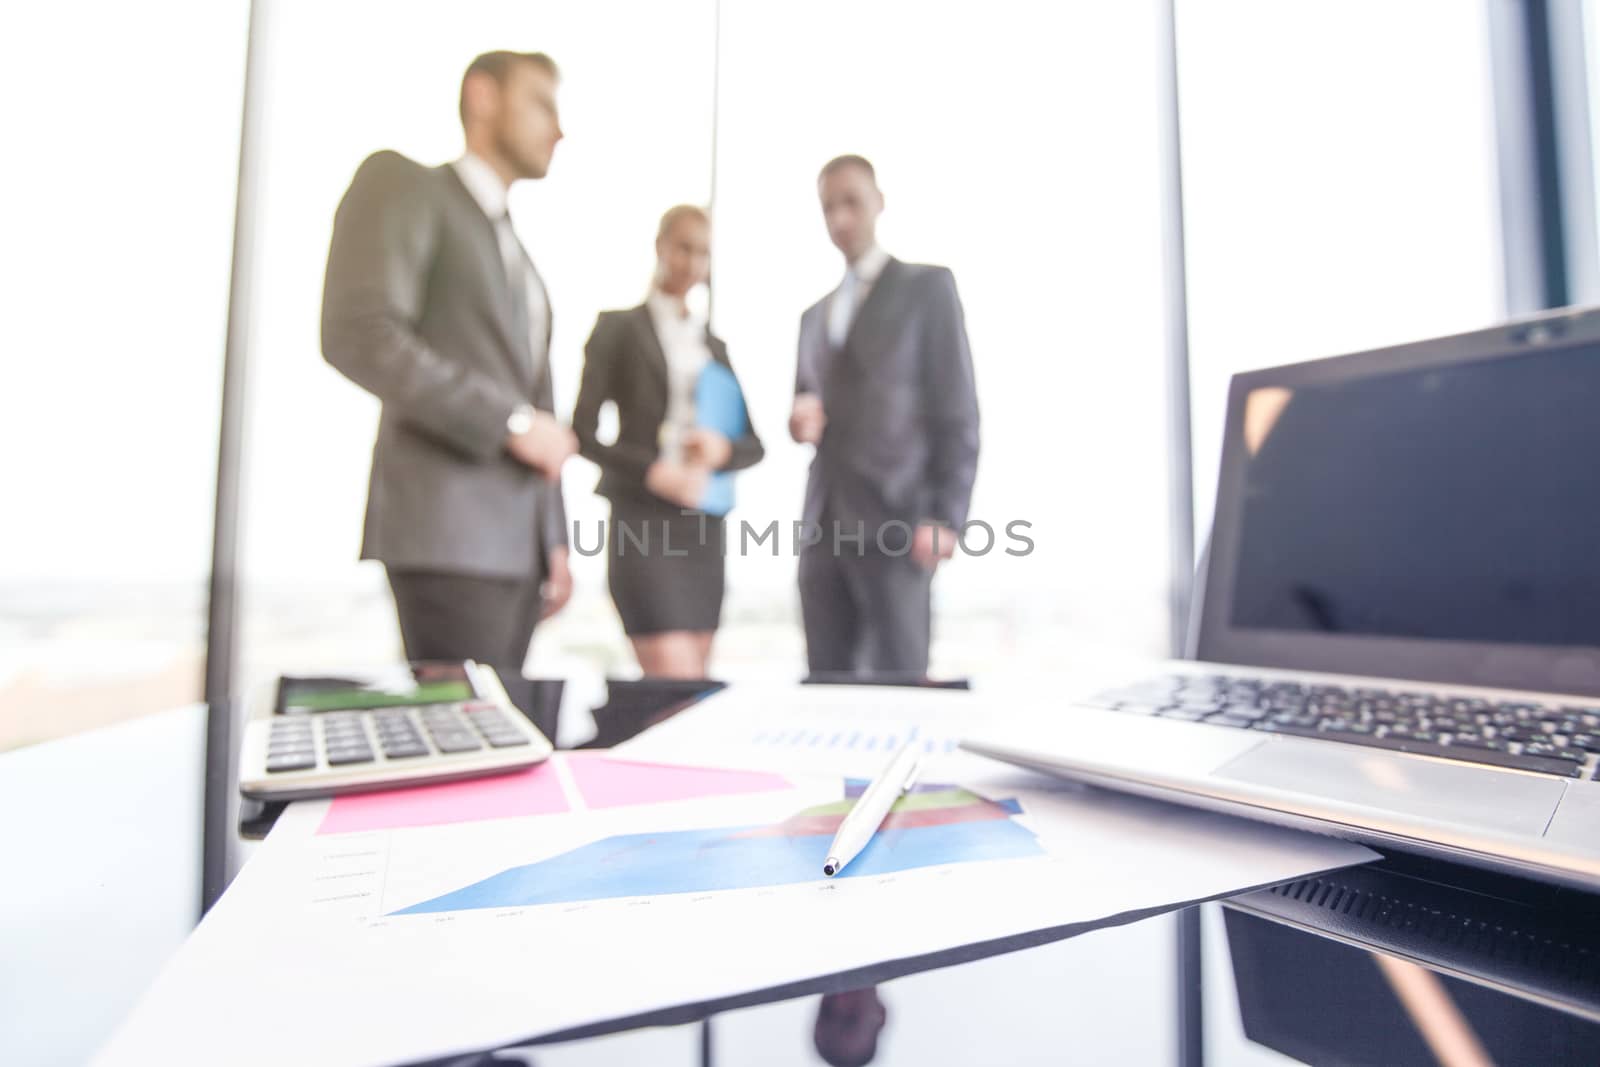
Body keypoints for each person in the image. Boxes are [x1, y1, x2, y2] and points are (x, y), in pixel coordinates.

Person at [321, 50, 577, 670]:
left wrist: (555, 543)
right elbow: (360, 332)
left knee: (502, 740)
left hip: (518, 550)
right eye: (542, 103)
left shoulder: (518, 252)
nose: (559, 128)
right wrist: (510, 424)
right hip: (447, 535)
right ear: (483, 96)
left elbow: (538, 407)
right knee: (465, 747)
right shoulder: (406, 186)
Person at [790, 155, 980, 678]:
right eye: (829, 207)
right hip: (823, 525)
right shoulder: (813, 317)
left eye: (851, 202)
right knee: (825, 683)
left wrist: (947, 515)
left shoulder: (927, 289)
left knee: (900, 682)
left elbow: (957, 408)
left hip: (898, 520)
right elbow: (806, 403)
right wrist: (799, 421)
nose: (840, 219)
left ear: (879, 201)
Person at [572, 206, 764, 677]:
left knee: (696, 683)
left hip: (702, 526)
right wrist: (654, 473)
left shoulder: (714, 346)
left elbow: (753, 444)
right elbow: (582, 431)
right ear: (660, 246)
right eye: (683, 247)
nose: (692, 263)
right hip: (643, 519)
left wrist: (720, 450)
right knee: (673, 683)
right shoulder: (618, 329)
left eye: (703, 253)